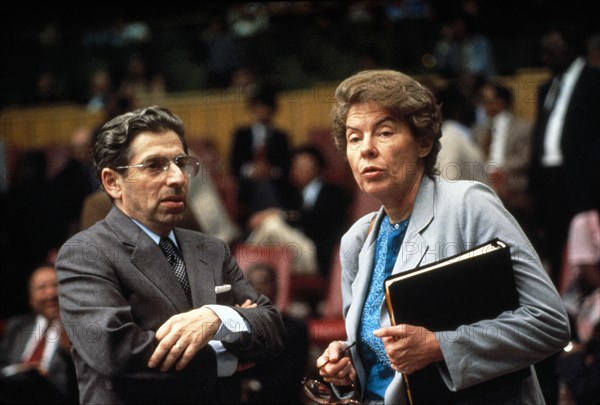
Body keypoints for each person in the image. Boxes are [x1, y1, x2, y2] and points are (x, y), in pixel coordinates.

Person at [315, 70, 570, 404]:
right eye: (354, 138)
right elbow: (379, 363)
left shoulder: (467, 205)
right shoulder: (356, 242)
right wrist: (349, 365)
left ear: (423, 142)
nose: (367, 150)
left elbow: (548, 323)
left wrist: (439, 346)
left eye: (385, 132)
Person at [54, 106, 286, 404]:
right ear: (112, 182)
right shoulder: (85, 253)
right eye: (155, 165)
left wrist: (217, 317)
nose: (177, 178)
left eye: (181, 163)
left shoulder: (211, 248)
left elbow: (273, 328)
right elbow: (118, 352)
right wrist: (224, 358)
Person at [528, 25, 600, 287]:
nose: (545, 58)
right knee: (555, 246)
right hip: (549, 181)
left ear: (569, 49)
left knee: (585, 251)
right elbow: (542, 135)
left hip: (582, 180)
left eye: (551, 51)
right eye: (543, 52)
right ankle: (563, 311)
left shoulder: (594, 80)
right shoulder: (546, 88)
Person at [247, 145, 353, 277]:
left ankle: (238, 270)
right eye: (295, 165)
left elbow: (318, 221)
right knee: (268, 228)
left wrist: (281, 215)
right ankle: (244, 272)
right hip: (295, 251)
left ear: (317, 167)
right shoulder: (293, 194)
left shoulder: (332, 192)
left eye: (303, 165)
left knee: (271, 225)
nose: (298, 169)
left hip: (316, 255)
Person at [0, 264, 78, 404]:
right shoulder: (17, 326)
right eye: (42, 288)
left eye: (56, 285)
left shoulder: (77, 328)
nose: (51, 293)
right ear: (31, 298)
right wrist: (20, 371)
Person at [239, 262, 309, 404]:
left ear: (276, 288)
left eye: (263, 283)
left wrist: (253, 386)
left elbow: (290, 379)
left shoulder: (296, 329)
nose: (258, 290)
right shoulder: (236, 329)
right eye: (252, 284)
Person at [473, 81, 535, 236]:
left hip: (512, 185)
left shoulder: (523, 127)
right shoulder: (479, 130)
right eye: (482, 101)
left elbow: (524, 157)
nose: (484, 105)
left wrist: (500, 170)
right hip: (485, 184)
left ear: (502, 101)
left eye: (489, 100)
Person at [229, 85, 291, 230]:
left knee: (266, 185)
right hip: (247, 186)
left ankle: (271, 223)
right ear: (252, 109)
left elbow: (285, 167)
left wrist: (271, 171)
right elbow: (234, 164)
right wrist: (251, 170)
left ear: (272, 110)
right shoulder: (241, 134)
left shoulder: (281, 137)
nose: (262, 111)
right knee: (260, 185)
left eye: (266, 107)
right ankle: (276, 220)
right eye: (258, 107)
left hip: (274, 184)